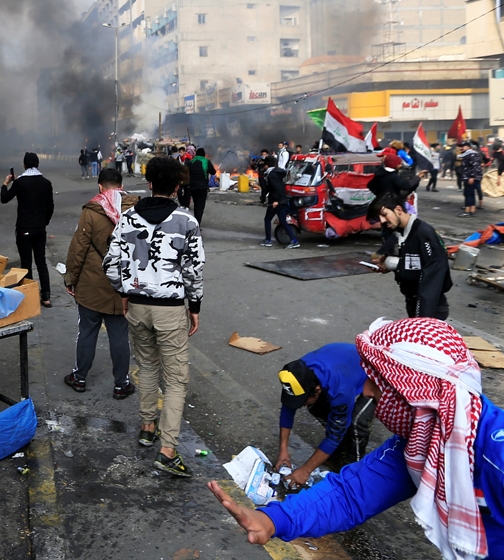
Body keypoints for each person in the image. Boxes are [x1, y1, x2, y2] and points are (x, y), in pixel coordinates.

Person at [209, 317, 504, 560]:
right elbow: (350, 494)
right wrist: (274, 520)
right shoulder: (421, 443)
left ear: (418, 393)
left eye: (378, 382)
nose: (365, 391)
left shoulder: (497, 456)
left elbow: (339, 442)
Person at [103, 155, 204, 477]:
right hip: (170, 308)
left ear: (149, 183)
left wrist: (123, 292)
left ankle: (148, 428)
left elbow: (110, 262)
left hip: (136, 304)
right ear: (177, 186)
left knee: (146, 366)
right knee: (175, 379)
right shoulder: (186, 221)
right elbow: (194, 269)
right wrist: (195, 306)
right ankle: (168, 450)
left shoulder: (128, 217)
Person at [63, 168, 139, 399]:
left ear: (100, 186)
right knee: (119, 334)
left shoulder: (92, 210)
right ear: (121, 184)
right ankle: (121, 384)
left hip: (91, 283)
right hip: (121, 286)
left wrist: (71, 279)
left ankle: (80, 377)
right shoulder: (135, 210)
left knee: (87, 331)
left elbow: (79, 249)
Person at [274, 343, 375, 487]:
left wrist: (305, 471)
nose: (301, 405)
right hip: (341, 361)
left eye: (303, 400)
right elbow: (287, 410)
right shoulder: (297, 375)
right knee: (316, 407)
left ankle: (353, 472)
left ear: (317, 389)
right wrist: (283, 451)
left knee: (357, 422)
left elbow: (335, 434)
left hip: (371, 370)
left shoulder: (340, 390)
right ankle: (336, 453)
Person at [368, 193, 451, 320]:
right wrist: (389, 266)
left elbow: (432, 281)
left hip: (429, 308)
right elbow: (414, 264)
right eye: (378, 217)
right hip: (413, 302)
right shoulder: (399, 232)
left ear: (398, 210)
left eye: (384, 214)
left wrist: (422, 320)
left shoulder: (424, 234)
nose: (382, 221)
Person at [2, 152, 55, 307]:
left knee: (26, 263)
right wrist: (44, 222)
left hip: (23, 228)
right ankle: (46, 296)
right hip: (39, 228)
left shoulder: (19, 183)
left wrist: (6, 183)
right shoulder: (46, 183)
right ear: (38, 164)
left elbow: (4, 199)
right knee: (41, 262)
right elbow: (50, 207)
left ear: (24, 164)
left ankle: (30, 296)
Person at [259, 167, 299, 249]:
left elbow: (277, 189)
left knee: (267, 219)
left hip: (276, 202)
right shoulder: (277, 175)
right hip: (283, 201)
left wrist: (275, 201)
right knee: (283, 222)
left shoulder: (271, 176)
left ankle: (268, 240)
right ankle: (294, 241)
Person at [183, 147, 216, 224]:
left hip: (193, 187)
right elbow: (213, 172)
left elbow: (186, 173)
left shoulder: (191, 162)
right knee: (200, 205)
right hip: (203, 187)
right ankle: (197, 222)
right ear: (204, 154)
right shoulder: (206, 161)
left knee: (196, 204)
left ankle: (196, 221)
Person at [459, 141, 483, 217]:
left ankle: (467, 212)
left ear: (469, 147)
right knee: (471, 194)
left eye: (464, 146)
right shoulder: (467, 154)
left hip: (471, 177)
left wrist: (472, 177)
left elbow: (475, 167)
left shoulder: (472, 154)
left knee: (468, 194)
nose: (462, 147)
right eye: (461, 146)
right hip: (468, 177)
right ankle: (472, 210)